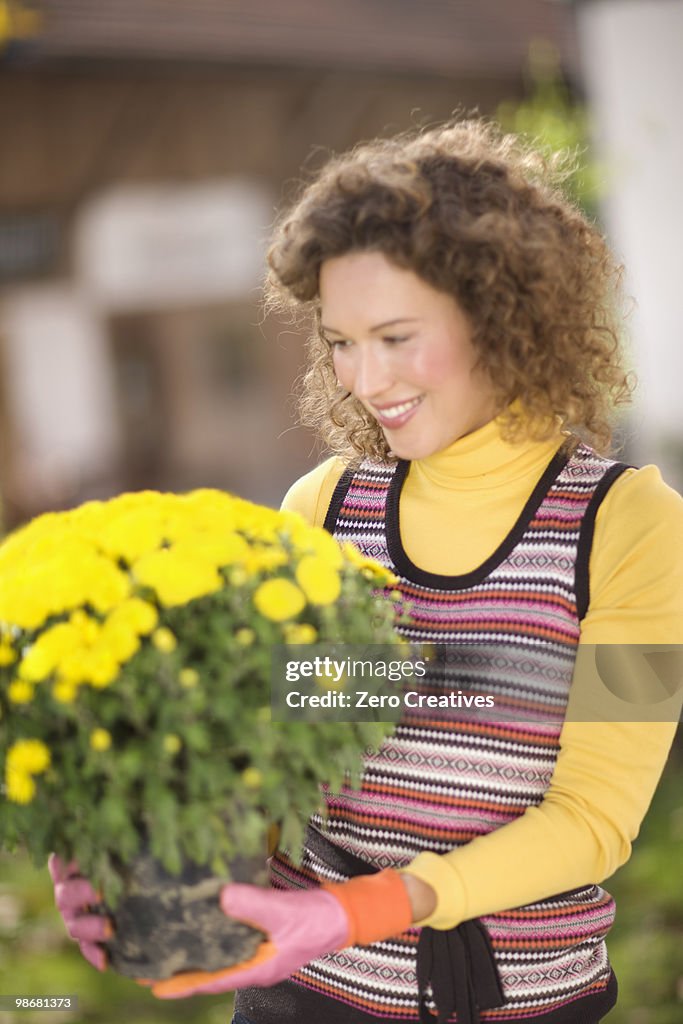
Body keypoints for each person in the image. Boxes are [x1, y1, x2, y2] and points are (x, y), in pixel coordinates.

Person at [51, 119, 683, 1023]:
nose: (361, 378)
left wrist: (351, 912)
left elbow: (595, 822)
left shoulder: (631, 527)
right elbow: (271, 759)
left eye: (393, 335)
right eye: (341, 341)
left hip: (510, 1003)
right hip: (300, 998)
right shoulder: (324, 509)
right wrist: (136, 854)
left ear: (502, 316)